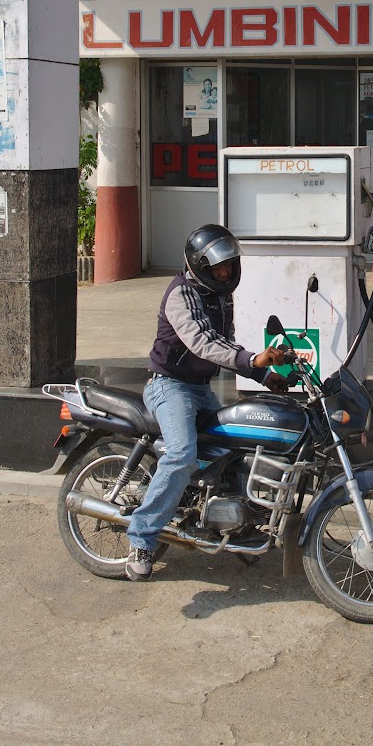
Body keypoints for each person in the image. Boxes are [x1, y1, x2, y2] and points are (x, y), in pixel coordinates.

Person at [125, 224, 288, 581]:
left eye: (229, 266)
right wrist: (253, 361)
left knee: (233, 447)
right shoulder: (180, 294)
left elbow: (225, 344)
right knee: (182, 453)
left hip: (199, 387)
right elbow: (203, 343)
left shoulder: (220, 297)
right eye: (218, 268)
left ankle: (221, 518)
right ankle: (141, 538)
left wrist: (264, 375)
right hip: (169, 387)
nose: (225, 273)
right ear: (200, 266)